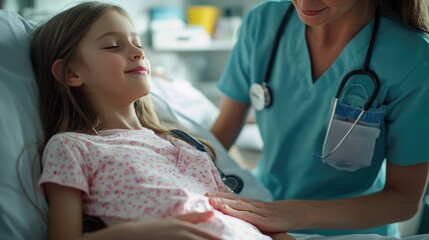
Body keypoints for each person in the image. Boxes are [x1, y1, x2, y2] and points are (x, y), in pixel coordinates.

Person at [30, 2, 294, 240]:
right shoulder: (73, 148)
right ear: (71, 73)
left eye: (138, 43)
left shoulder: (183, 145)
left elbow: (241, 213)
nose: (137, 52)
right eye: (112, 45)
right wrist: (140, 233)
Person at [209, 0, 429, 237]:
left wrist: (296, 213)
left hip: (352, 232)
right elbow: (221, 134)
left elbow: (403, 200)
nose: (305, 2)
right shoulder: (263, 23)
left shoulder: (412, 60)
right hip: (263, 212)